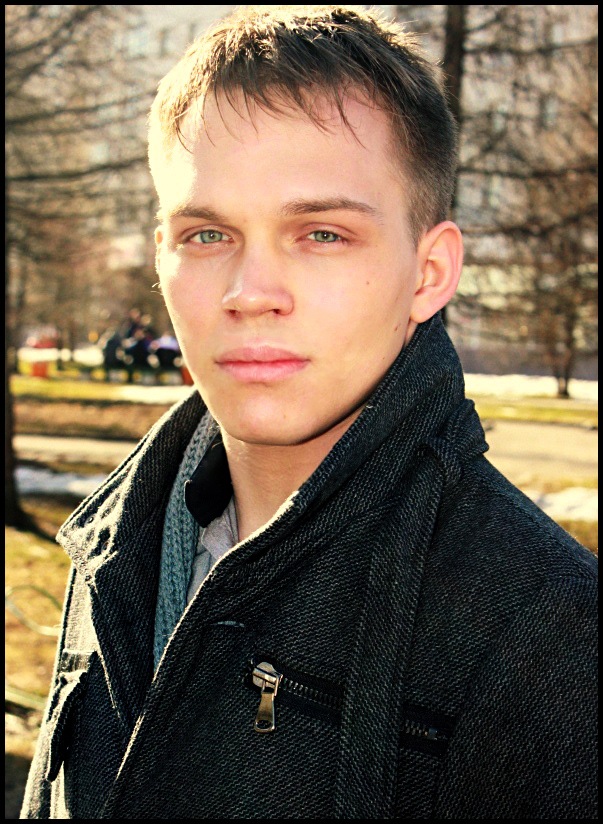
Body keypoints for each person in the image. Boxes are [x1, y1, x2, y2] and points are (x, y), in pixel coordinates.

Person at [21, 6, 597, 820]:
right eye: (207, 234)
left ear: (429, 273)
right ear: (160, 257)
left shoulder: (548, 632)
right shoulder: (117, 542)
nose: (250, 292)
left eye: (322, 233)